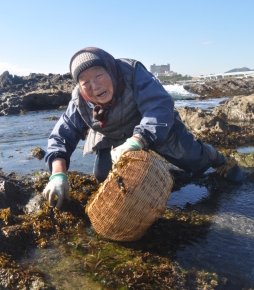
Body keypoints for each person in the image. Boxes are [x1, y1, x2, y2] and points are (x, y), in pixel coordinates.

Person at [43, 47, 244, 209]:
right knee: (103, 176)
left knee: (192, 159)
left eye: (99, 75)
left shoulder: (132, 72)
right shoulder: (80, 99)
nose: (94, 86)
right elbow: (62, 135)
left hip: (154, 124)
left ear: (110, 69)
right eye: (85, 82)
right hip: (113, 133)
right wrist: (58, 174)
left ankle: (218, 158)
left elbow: (159, 104)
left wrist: (138, 140)